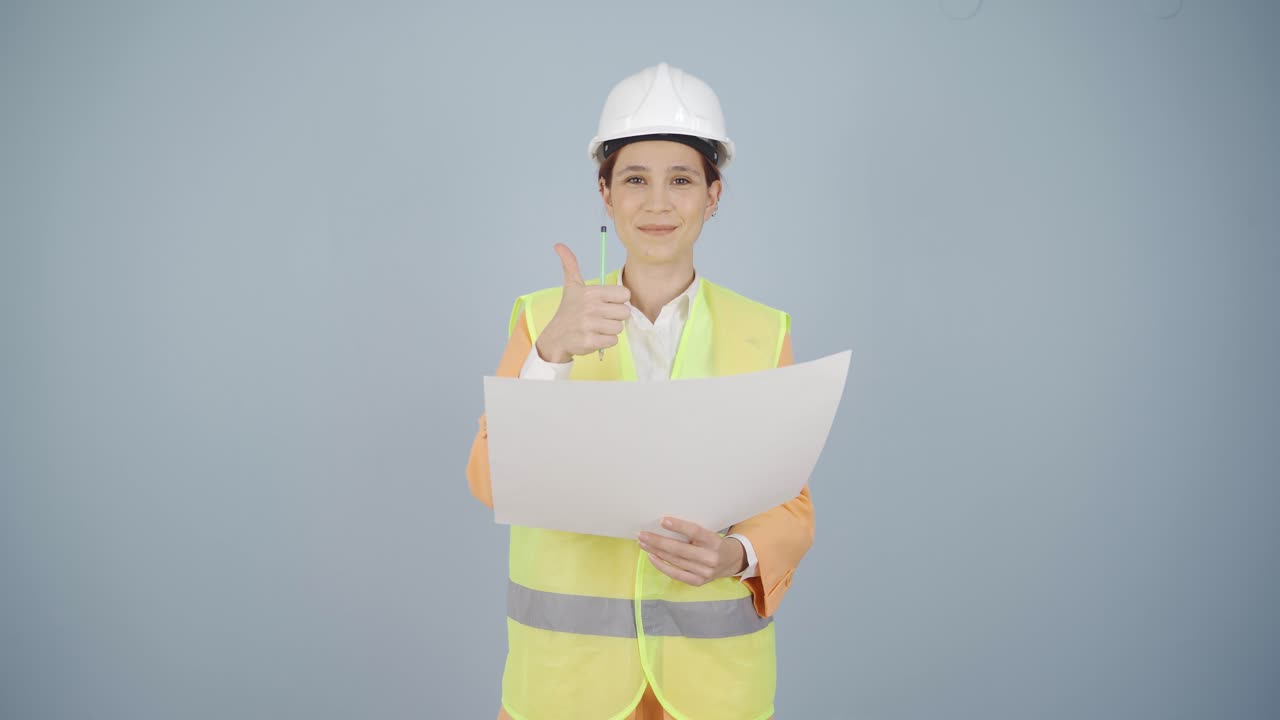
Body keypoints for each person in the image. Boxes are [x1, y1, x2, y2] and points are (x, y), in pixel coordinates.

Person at [466, 62, 814, 720]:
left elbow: (788, 504)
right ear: (605, 194)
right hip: (565, 689)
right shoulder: (542, 321)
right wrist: (551, 356)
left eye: (681, 180)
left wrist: (735, 555)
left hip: (712, 689)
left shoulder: (760, 332)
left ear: (714, 195)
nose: (658, 203)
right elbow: (490, 478)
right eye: (635, 179)